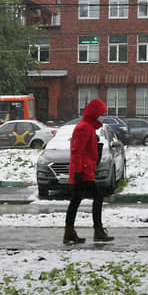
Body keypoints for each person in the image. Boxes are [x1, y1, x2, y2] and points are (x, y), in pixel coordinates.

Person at [64, 98, 114, 244]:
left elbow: (84, 151)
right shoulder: (84, 127)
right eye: (101, 113)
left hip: (84, 170)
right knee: (97, 197)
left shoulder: (88, 127)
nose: (103, 116)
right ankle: (97, 231)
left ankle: (70, 232)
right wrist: (78, 171)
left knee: (75, 201)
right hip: (82, 172)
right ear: (94, 113)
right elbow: (77, 151)